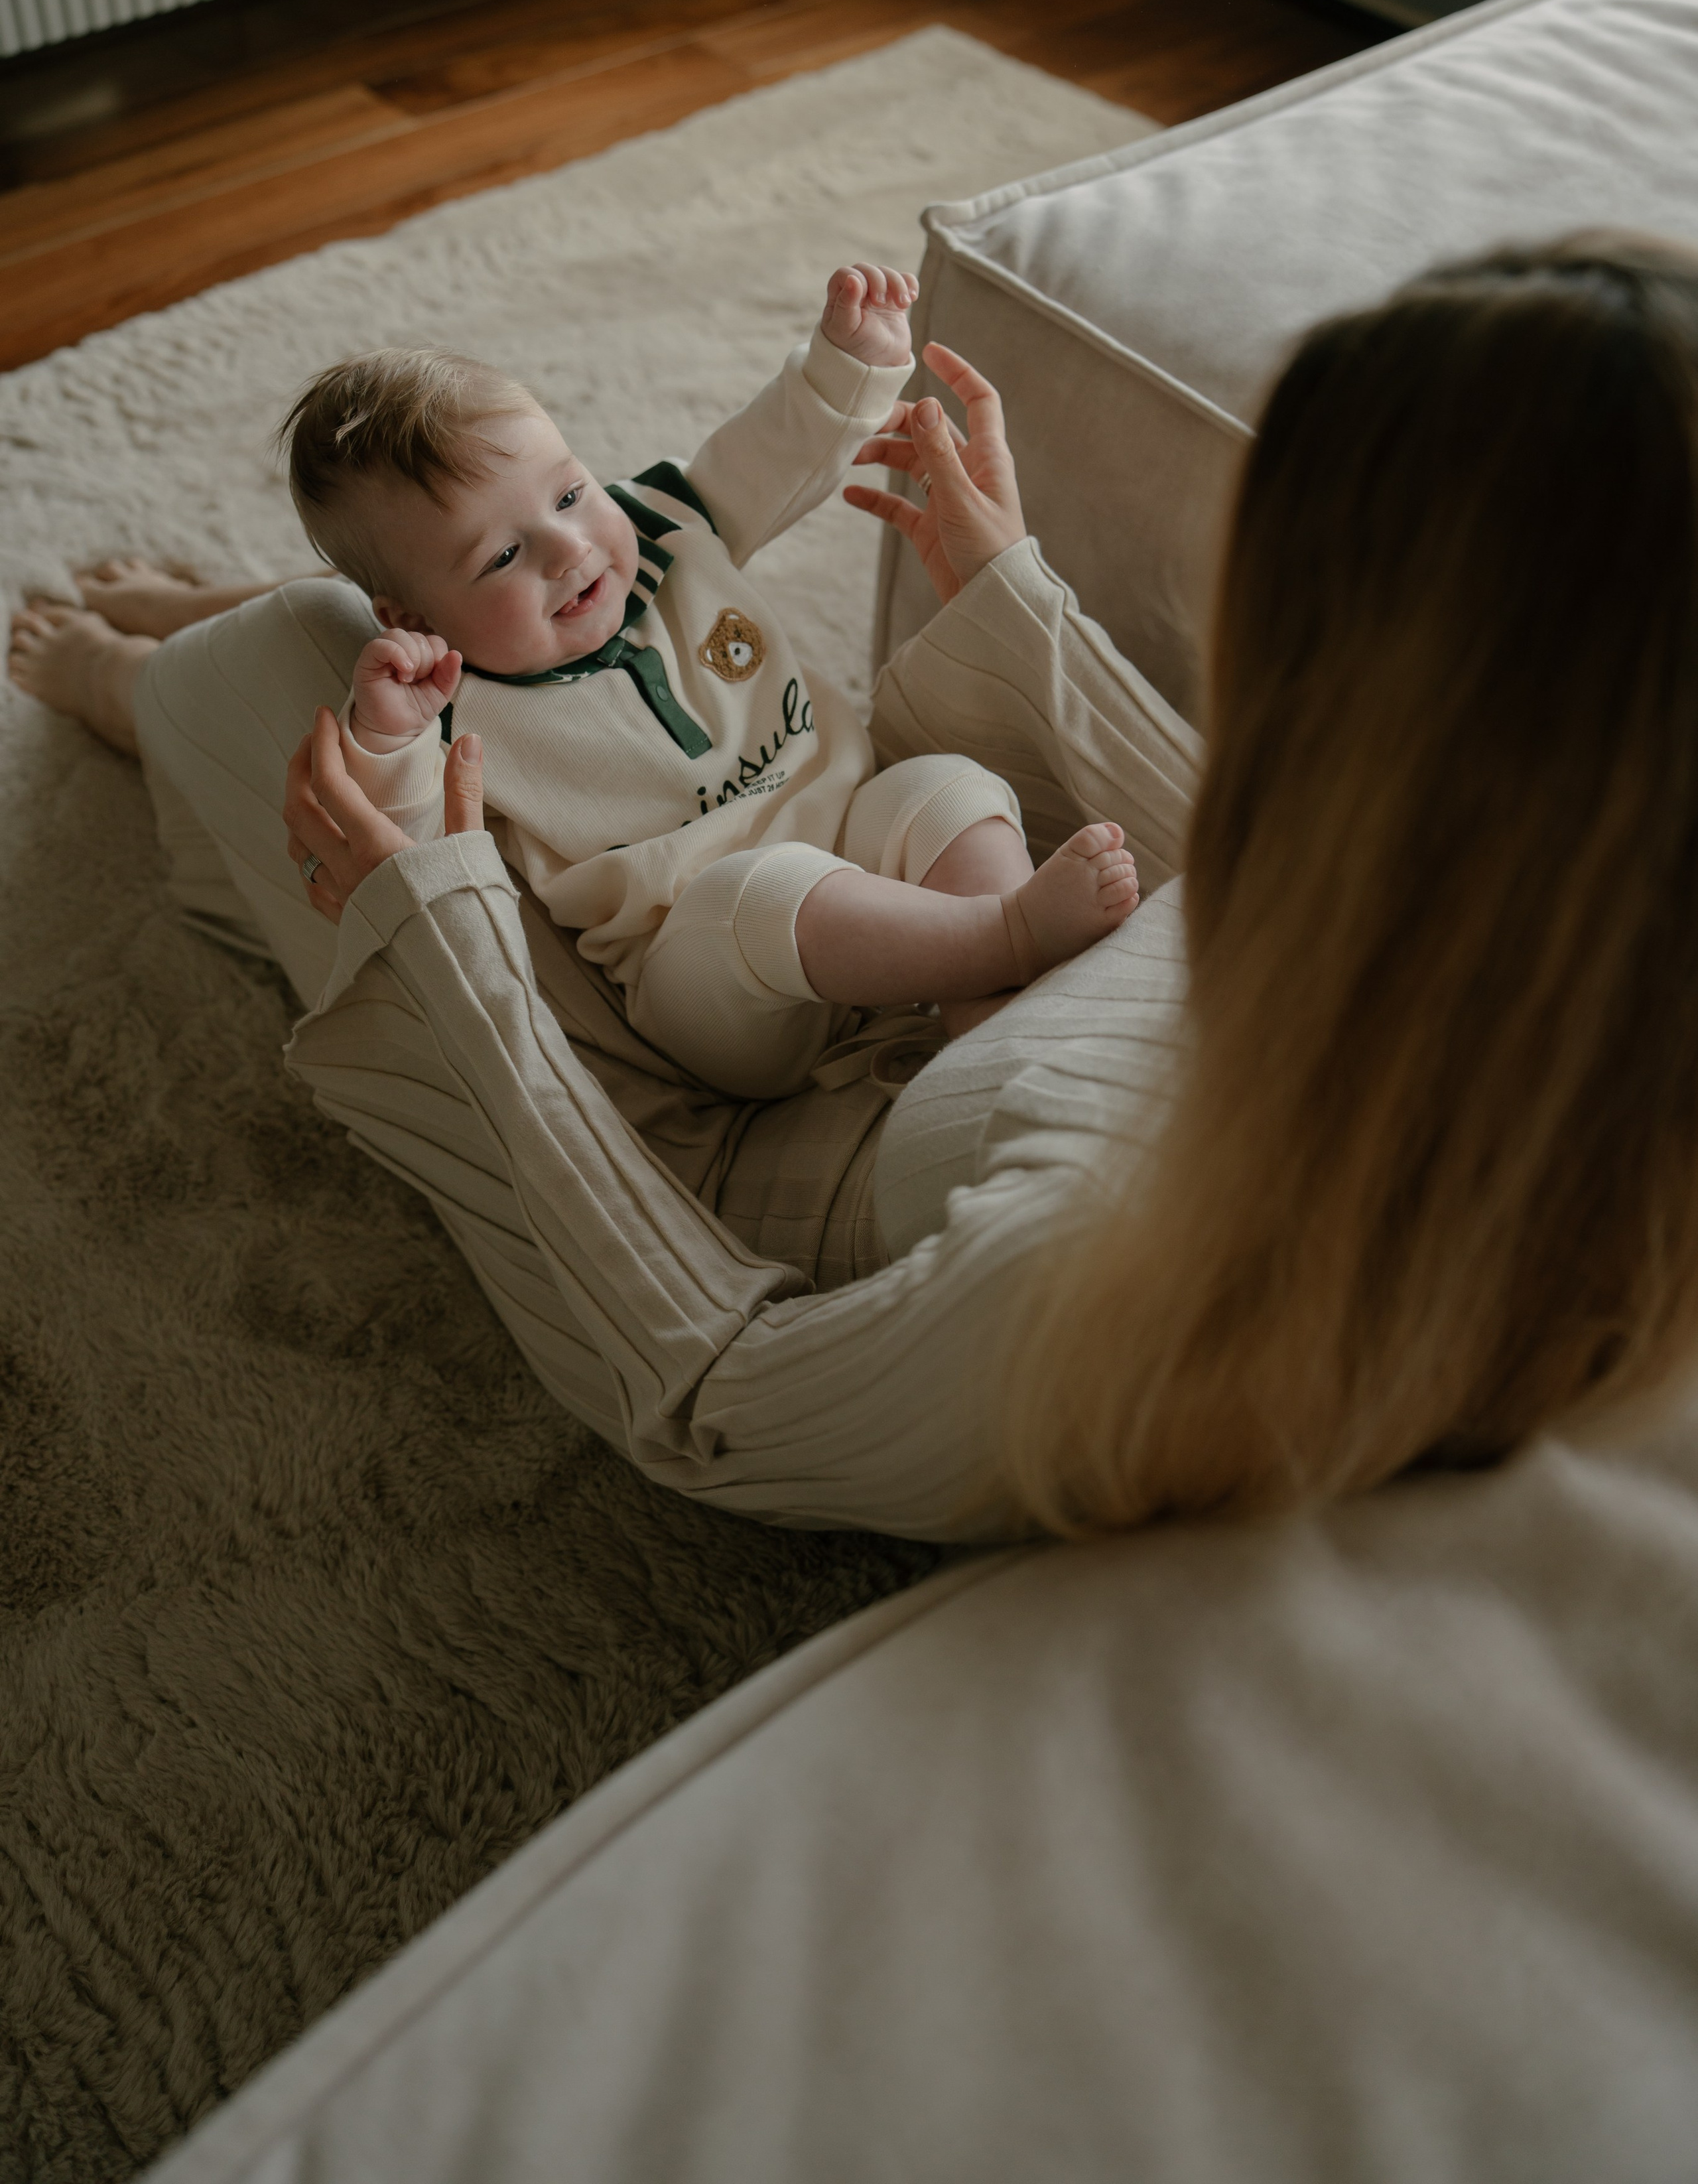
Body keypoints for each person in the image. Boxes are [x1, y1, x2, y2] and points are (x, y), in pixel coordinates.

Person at [12, 234, 1697, 1544]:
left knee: (273, 682)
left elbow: (710, 1393)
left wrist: (434, 941)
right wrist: (1009, 610)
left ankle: (116, 664)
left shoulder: (1106, 1282)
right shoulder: (1516, 965)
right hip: (739, 904)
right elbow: (1254, 861)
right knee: (399, 638)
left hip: (756, 1083)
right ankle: (225, 615)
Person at [289, 260, 1136, 1098]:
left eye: (571, 494)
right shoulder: (451, 703)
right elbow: (406, 855)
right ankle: (1005, 937)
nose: (570, 549)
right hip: (714, 977)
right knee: (760, 892)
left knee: (944, 788)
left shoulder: (667, 527)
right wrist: (389, 736)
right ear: (412, 619)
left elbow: (769, 456)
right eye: (504, 556)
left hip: (858, 844)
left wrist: (850, 363)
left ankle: (986, 1018)